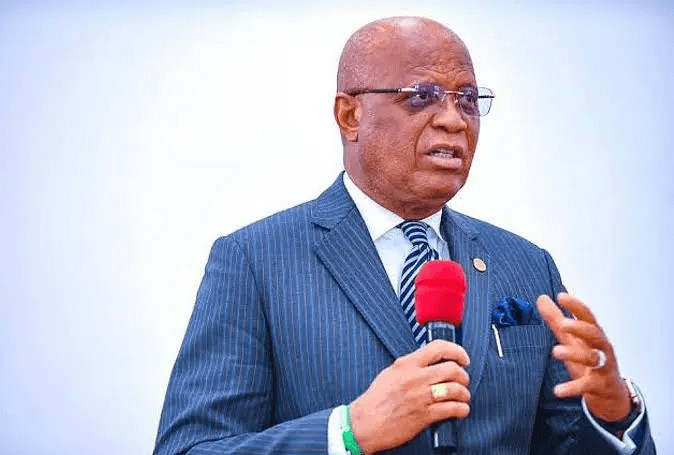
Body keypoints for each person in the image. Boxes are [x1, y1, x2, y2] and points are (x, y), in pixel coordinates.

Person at [153, 16, 656, 454]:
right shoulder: (256, 260)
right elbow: (191, 448)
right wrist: (347, 432)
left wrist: (613, 412)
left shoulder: (528, 266)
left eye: (468, 100)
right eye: (422, 96)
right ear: (350, 115)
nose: (453, 120)